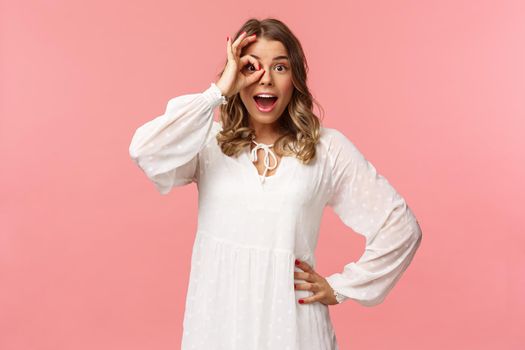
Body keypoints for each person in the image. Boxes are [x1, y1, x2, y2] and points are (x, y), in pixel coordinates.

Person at [129, 17, 422, 350]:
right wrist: (218, 92)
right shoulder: (209, 143)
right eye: (251, 67)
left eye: (280, 67)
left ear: (294, 78)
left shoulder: (327, 149)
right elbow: (144, 150)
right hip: (219, 325)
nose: (265, 78)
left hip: (294, 329)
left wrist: (340, 287)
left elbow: (401, 227)